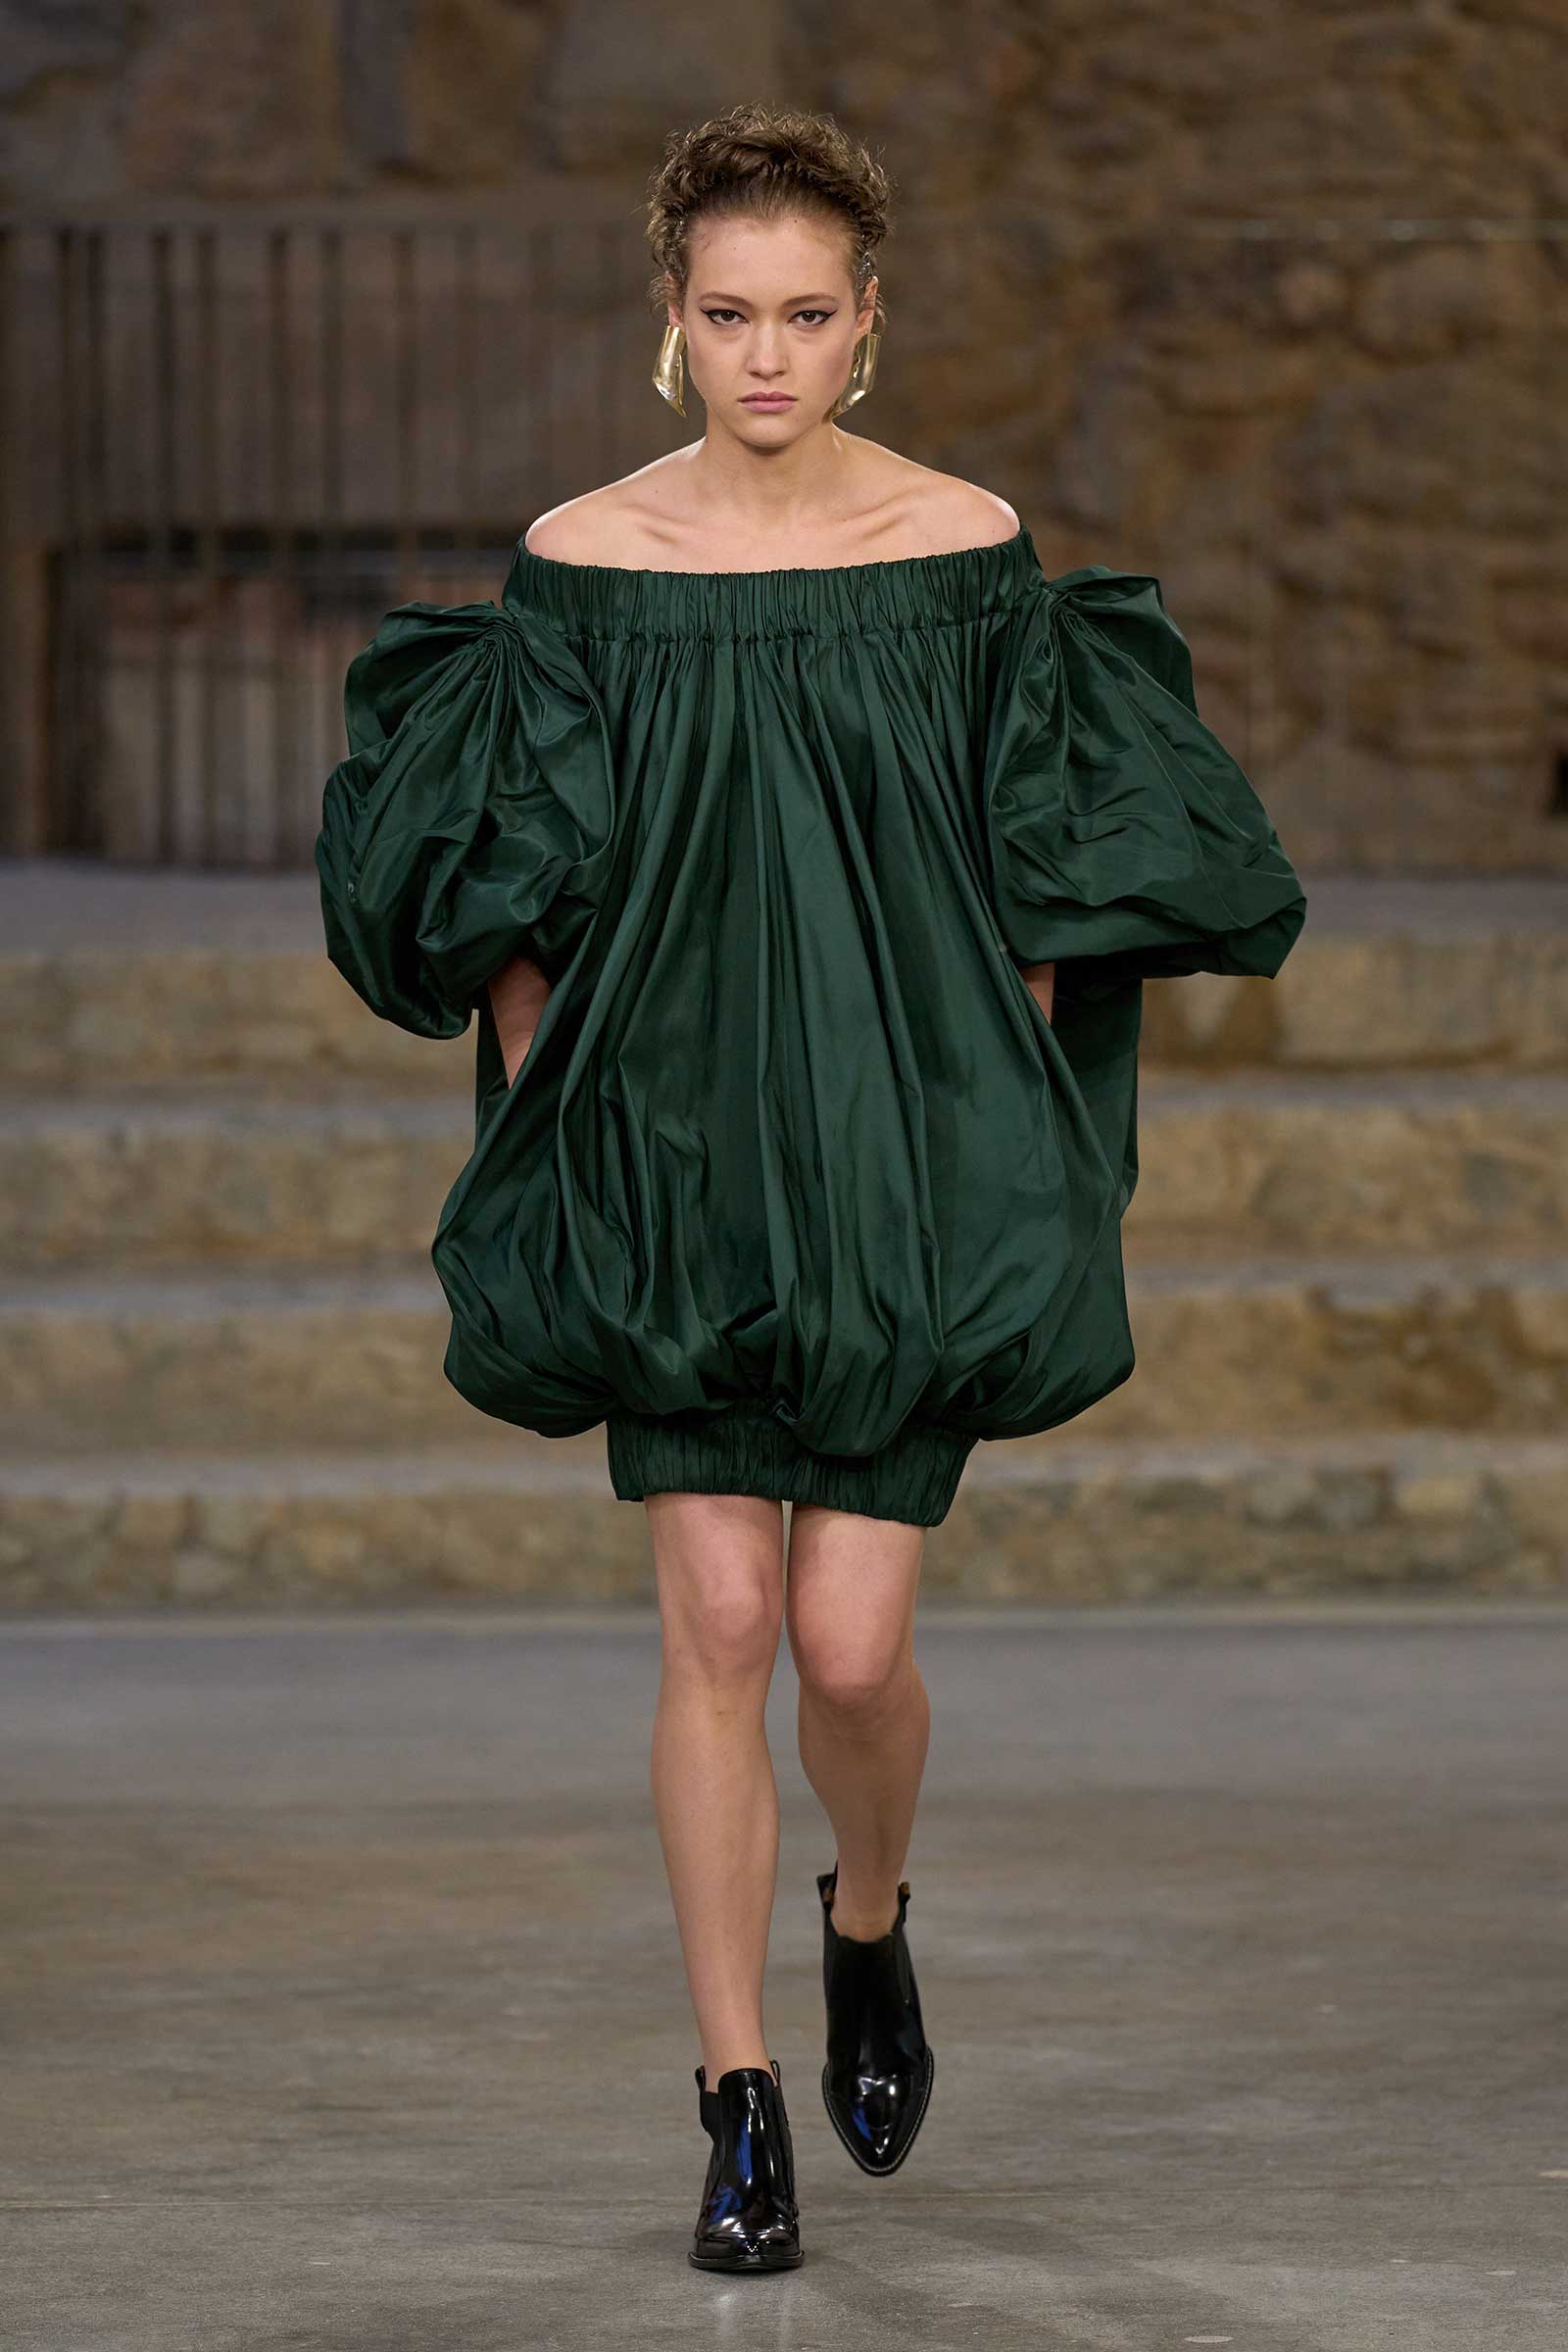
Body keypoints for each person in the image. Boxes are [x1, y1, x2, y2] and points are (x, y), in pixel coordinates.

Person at [315, 103, 1308, 2275]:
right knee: (726, 1621)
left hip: (895, 1143)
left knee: (851, 1649)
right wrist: (550, 1087)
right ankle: (735, 2099)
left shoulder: (964, 552)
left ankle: (866, 1924)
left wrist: (1000, 1109)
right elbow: (498, 872)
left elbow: (1048, 862)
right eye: (726, 314)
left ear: (868, 323)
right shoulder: (584, 564)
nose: (764, 355)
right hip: (666, 1142)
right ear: (670, 322)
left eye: (805, 314)